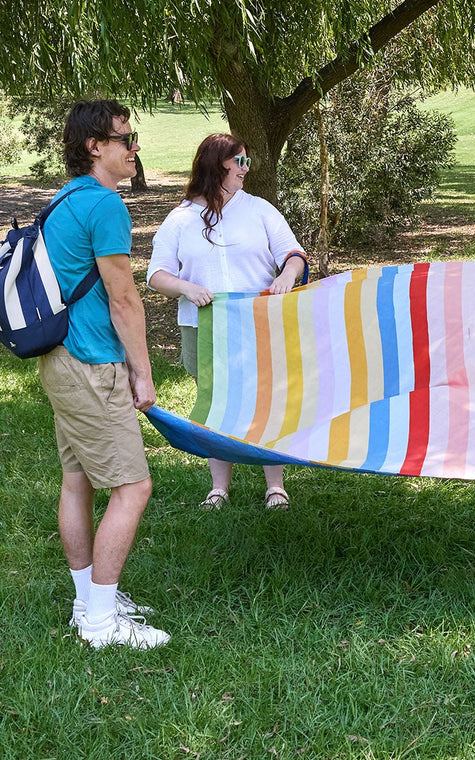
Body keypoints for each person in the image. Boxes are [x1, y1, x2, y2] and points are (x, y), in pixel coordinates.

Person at [36, 100, 169, 649]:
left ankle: (86, 600)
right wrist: (142, 373)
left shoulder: (62, 200)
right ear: (96, 147)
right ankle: (99, 622)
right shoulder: (105, 204)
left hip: (59, 359)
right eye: (126, 138)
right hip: (92, 364)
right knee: (133, 487)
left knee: (78, 479)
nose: (135, 147)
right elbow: (124, 299)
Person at [147, 133, 308, 512]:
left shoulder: (260, 209)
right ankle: (218, 489)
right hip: (204, 328)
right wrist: (186, 287)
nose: (246, 170)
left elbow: (294, 253)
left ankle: (276, 488)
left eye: (247, 162)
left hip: (259, 322)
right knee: (217, 405)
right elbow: (156, 274)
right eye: (241, 162)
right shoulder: (181, 219)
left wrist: (288, 274)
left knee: (266, 402)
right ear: (218, 165)